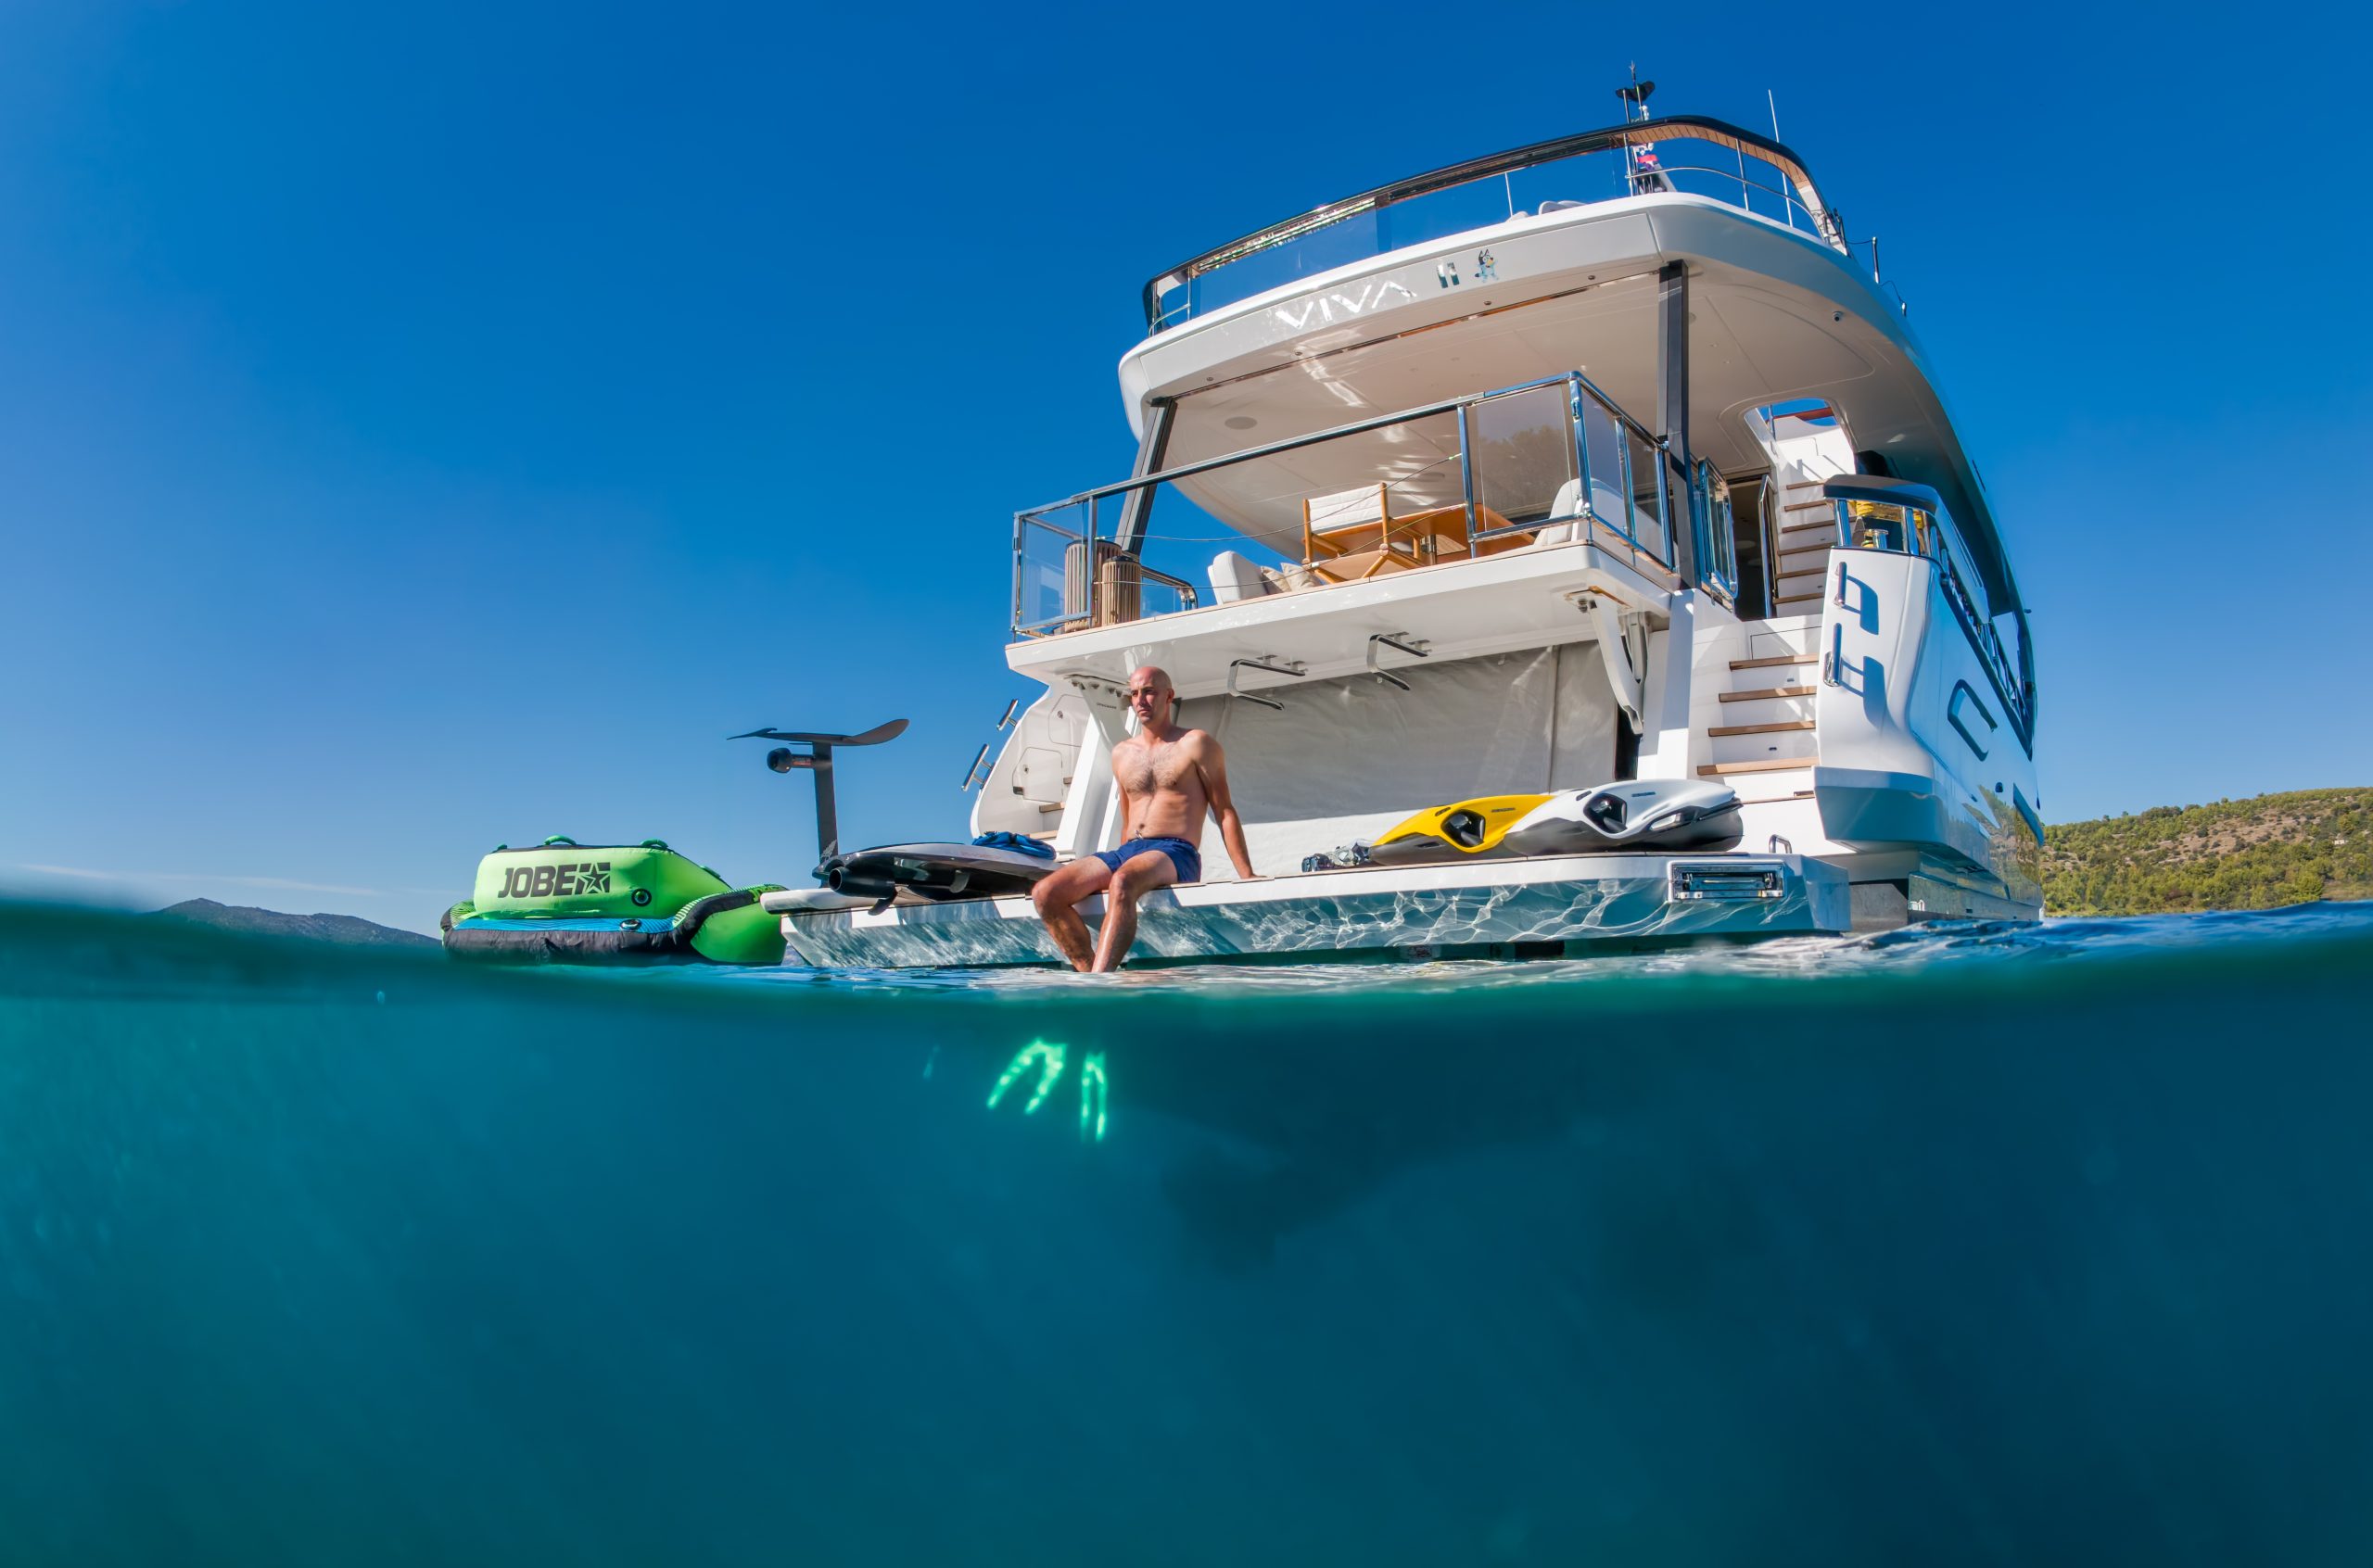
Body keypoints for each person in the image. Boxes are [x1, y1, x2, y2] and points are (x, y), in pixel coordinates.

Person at [1031, 664, 1255, 972]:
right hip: (1130, 851)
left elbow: (1224, 810)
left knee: (1123, 881)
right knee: (1045, 893)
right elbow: (1127, 819)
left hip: (1175, 851)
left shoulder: (1196, 743)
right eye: (1135, 693)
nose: (1141, 700)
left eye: (1149, 691)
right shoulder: (1122, 753)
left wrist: (1247, 877)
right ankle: (1089, 973)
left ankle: (1100, 981)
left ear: (1169, 696)